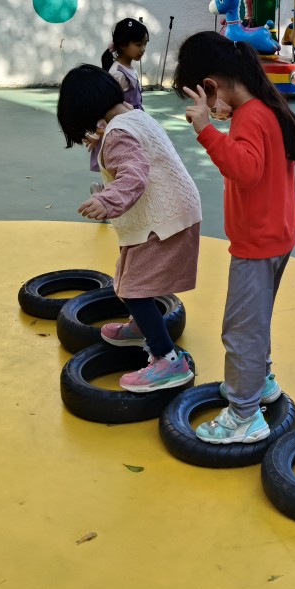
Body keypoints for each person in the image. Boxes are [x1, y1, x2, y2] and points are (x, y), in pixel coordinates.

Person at [176, 31, 295, 444]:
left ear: (211, 85)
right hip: (276, 235)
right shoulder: (264, 107)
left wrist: (206, 129)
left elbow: (247, 170)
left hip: (258, 243)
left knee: (240, 330)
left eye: (201, 97)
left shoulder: (250, 117)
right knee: (256, 318)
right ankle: (261, 379)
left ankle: (244, 415)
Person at [57, 64, 200, 392]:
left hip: (162, 220)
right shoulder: (136, 116)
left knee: (134, 287)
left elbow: (134, 174)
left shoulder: (118, 134)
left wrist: (107, 200)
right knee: (128, 277)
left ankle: (168, 360)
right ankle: (142, 328)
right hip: (172, 211)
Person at [89, 19, 150, 190]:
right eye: (138, 44)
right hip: (122, 126)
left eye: (145, 44)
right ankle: (104, 192)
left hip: (132, 121)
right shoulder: (117, 73)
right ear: (123, 45)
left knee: (131, 160)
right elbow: (106, 104)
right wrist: (98, 132)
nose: (143, 49)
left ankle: (106, 191)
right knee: (123, 161)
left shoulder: (127, 68)